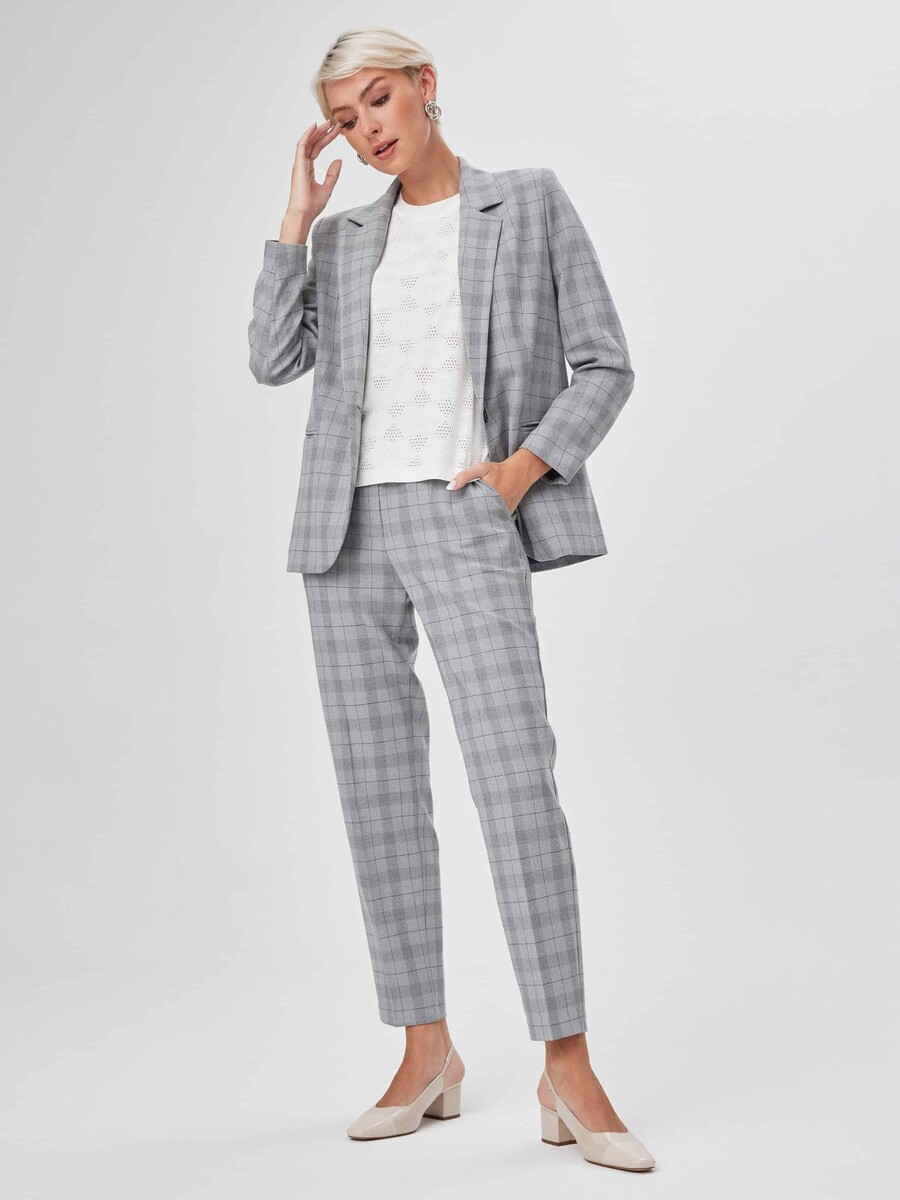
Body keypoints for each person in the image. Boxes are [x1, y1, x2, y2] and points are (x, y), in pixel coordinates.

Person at [247, 26, 655, 1172]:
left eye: (378, 101)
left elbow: (606, 363)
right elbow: (272, 360)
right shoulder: (344, 238)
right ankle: (425, 1051)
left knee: (517, 783)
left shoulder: (527, 202)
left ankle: (567, 1065)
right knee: (380, 797)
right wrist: (296, 218)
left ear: (426, 87)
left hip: (468, 510)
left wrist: (522, 470)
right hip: (344, 531)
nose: (367, 129)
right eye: (346, 119)